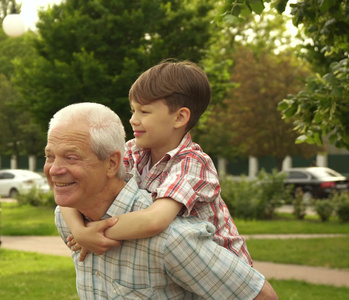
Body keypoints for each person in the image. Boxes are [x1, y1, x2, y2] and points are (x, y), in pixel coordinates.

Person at [45, 102, 277, 299]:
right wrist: (81, 231)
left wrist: (97, 231)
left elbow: (263, 297)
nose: (54, 169)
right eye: (49, 156)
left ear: (112, 164)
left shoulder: (172, 239)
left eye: (70, 157)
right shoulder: (67, 217)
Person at [60, 60, 252, 266]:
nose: (133, 119)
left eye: (144, 112)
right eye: (133, 110)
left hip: (220, 273)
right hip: (179, 267)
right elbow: (76, 191)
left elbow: (154, 221)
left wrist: (94, 231)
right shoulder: (131, 152)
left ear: (179, 117)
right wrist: (80, 232)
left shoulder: (192, 163)